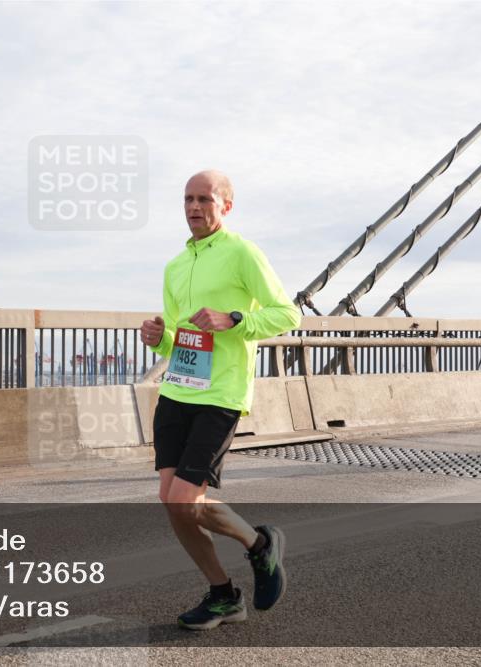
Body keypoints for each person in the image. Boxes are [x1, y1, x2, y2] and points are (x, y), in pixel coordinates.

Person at [141, 169, 301, 630]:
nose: (194, 207)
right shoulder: (175, 266)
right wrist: (158, 337)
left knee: (186, 500)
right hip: (177, 390)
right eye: (188, 199)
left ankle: (260, 545)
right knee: (172, 501)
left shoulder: (242, 253)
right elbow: (178, 338)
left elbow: (287, 314)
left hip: (221, 393)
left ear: (225, 206)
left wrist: (235, 319)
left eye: (205, 199)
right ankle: (223, 595)